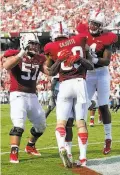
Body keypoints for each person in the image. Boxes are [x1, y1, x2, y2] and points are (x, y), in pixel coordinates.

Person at [44, 21, 94, 167]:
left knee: (61, 122)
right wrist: (80, 59)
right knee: (81, 123)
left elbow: (51, 72)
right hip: (80, 83)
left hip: (64, 85)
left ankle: (63, 149)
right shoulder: (79, 40)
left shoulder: (51, 47)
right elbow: (90, 66)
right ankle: (83, 159)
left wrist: (59, 59)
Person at [2, 33, 49, 163]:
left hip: (32, 95)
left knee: (41, 125)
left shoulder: (40, 58)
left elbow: (49, 72)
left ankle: (30, 145)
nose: (34, 47)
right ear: (24, 43)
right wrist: (21, 53)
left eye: (36, 44)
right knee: (19, 125)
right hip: (17, 94)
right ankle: (14, 153)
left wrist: (58, 61)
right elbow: (6, 66)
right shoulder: (14, 55)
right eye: (31, 44)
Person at [77, 10, 118, 155]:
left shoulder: (107, 38)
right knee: (83, 104)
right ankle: (83, 138)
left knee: (103, 106)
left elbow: (106, 61)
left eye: (96, 24)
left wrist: (93, 59)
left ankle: (108, 138)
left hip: (101, 73)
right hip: (88, 74)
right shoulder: (83, 34)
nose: (93, 25)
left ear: (101, 26)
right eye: (92, 22)